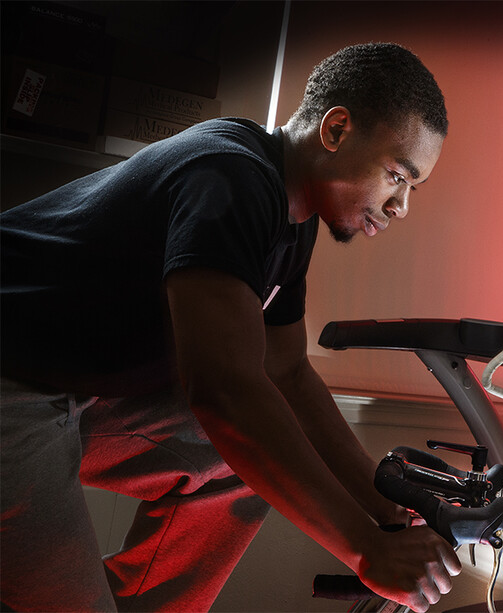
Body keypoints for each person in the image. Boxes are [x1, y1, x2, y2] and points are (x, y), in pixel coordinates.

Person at [1, 43, 460, 612]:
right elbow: (223, 392)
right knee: (240, 437)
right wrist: (367, 550)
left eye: (413, 189)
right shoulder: (230, 177)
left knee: (237, 467)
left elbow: (287, 375)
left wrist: (384, 505)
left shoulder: (292, 219)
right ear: (336, 129)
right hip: (12, 385)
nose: (401, 207)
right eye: (398, 175)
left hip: (70, 393)